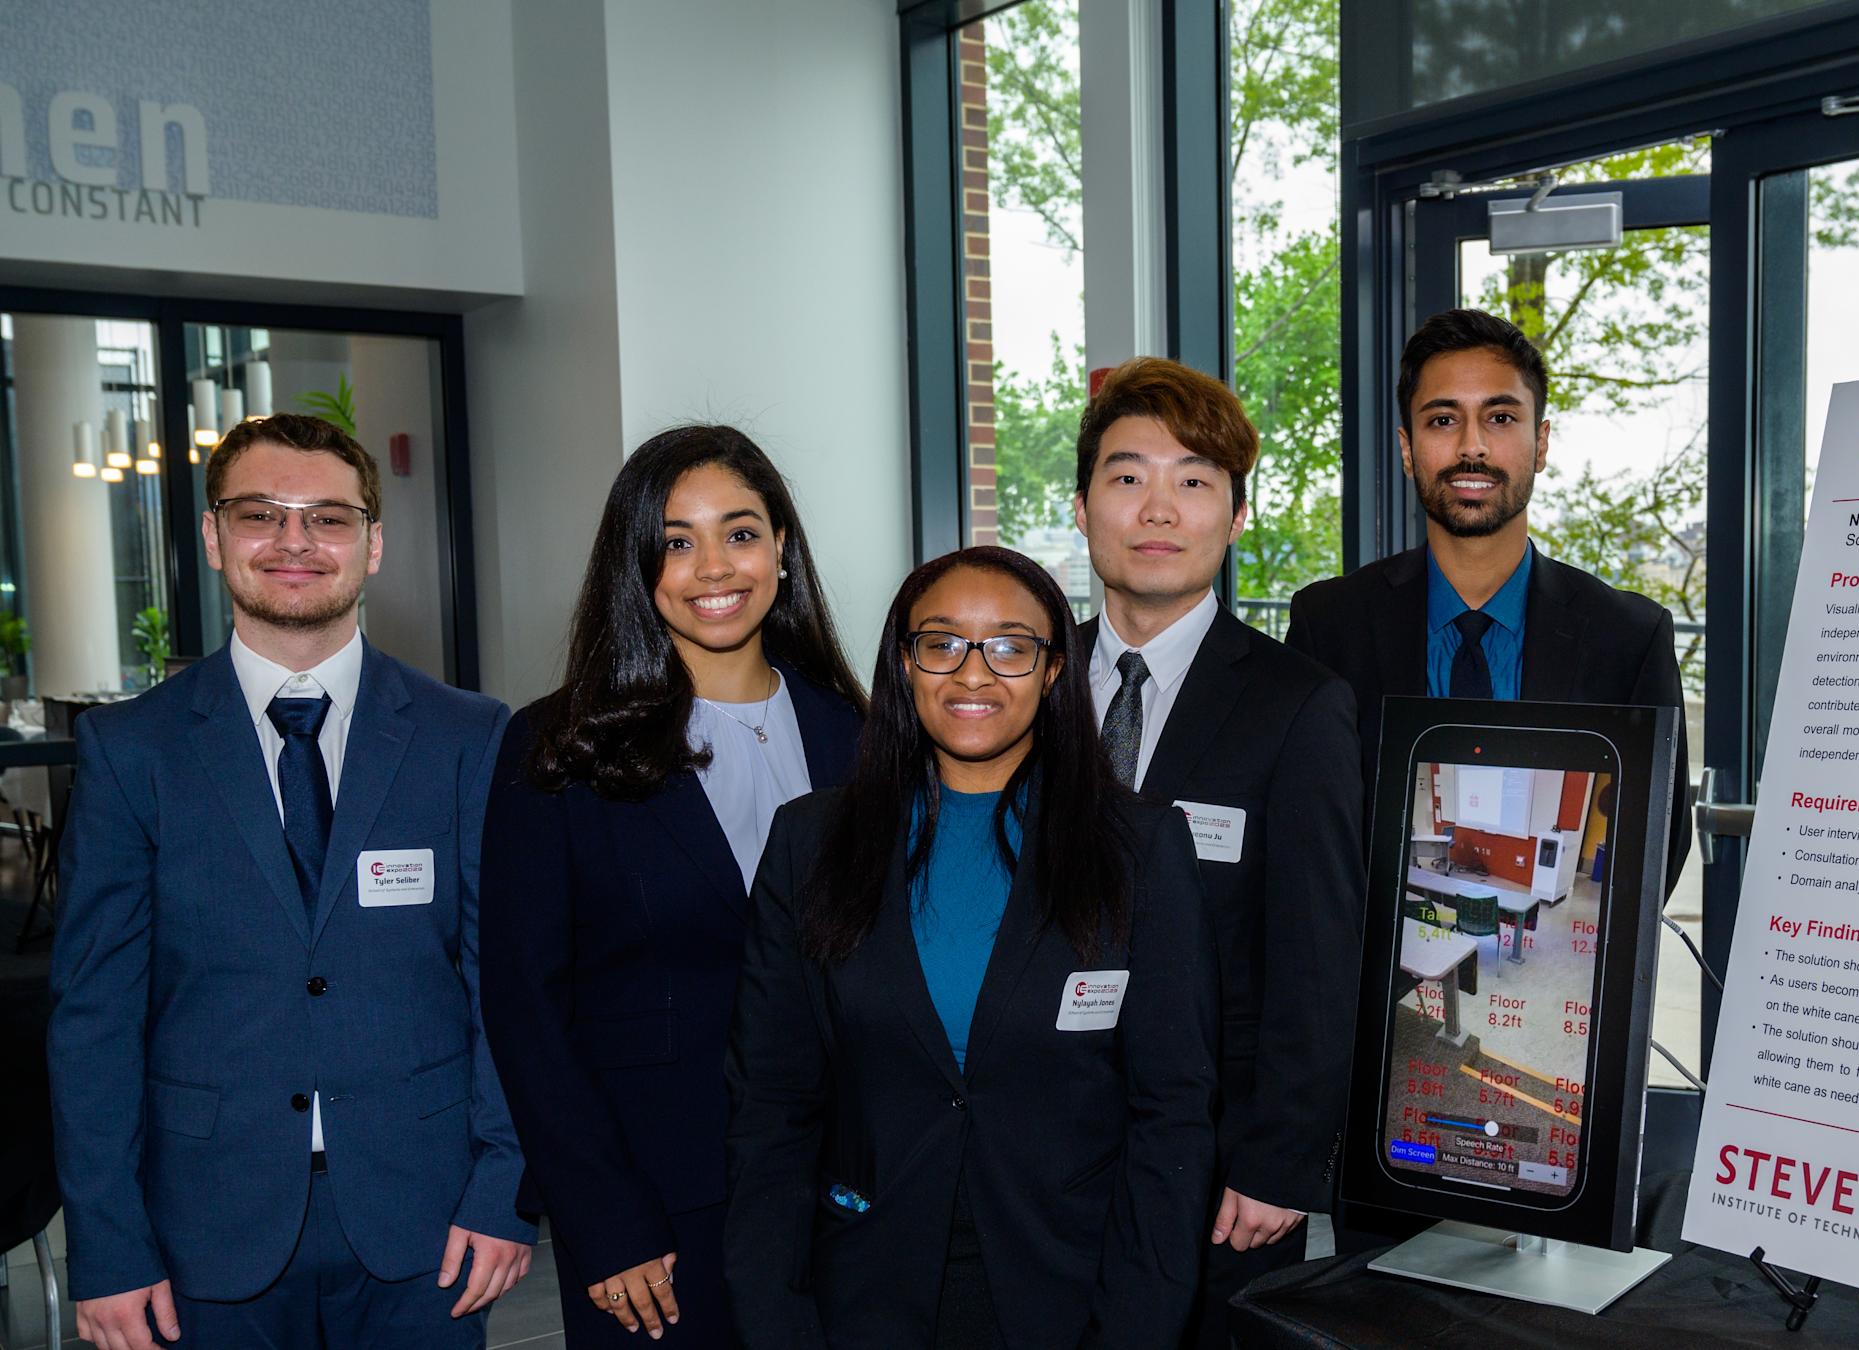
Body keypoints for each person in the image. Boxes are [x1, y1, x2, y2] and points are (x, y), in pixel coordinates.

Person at [49, 412, 533, 1350]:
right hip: (201, 1226)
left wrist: (502, 1186)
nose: (295, 543)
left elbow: (502, 987)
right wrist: (108, 1246)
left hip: (425, 1222)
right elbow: (94, 1017)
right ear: (212, 535)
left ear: (374, 543)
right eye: (262, 513)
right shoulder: (129, 750)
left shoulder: (468, 737)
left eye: (329, 518)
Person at [724, 546, 1218, 1348]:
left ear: (1055, 670)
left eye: (1011, 646)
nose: (974, 674)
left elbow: (1173, 1115)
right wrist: (774, 1318)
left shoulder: (1140, 846)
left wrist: (1139, 1324)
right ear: (905, 663)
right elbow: (771, 1106)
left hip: (1071, 1288)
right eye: (942, 643)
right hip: (861, 1287)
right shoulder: (810, 843)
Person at [479, 425, 865, 1345]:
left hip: (844, 1198)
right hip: (652, 1214)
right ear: (636, 561)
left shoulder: (860, 734)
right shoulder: (558, 747)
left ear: (782, 548)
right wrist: (602, 1222)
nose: (712, 567)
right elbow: (525, 1007)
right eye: (676, 540)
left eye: (740, 532)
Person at [1070, 357, 1364, 1345]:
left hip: (1219, 1167)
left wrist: (1279, 1162)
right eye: (1127, 477)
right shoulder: (1022, 686)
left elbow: (1320, 955)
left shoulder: (1298, 706)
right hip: (1028, 1151)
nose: (1158, 508)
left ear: (1235, 518)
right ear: (1081, 508)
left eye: (1193, 480)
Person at [1286, 307, 1694, 889]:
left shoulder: (1629, 637)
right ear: (1408, 450)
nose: (1472, 447)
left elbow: (1657, 847)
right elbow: (1305, 838)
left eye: (1500, 417)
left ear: (1541, 442)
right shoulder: (1328, 625)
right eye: (1443, 420)